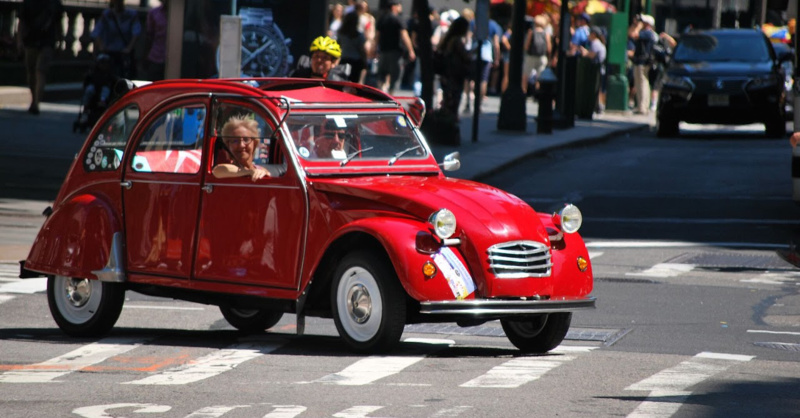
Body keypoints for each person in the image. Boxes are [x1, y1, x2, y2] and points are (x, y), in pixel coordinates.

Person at [17, 0, 64, 115]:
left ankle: (36, 103)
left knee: (40, 71)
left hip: (47, 41)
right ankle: (34, 99)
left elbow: (58, 23)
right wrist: (19, 41)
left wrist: (61, 41)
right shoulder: (28, 2)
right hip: (30, 40)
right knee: (31, 72)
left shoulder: (54, 3)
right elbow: (21, 22)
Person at [91, 0, 142, 79]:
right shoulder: (107, 15)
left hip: (123, 53)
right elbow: (96, 32)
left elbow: (136, 33)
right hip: (110, 52)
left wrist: (128, 48)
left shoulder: (131, 15)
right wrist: (102, 47)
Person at [375, 0, 415, 94]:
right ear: (394, 7)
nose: (400, 8)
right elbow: (404, 35)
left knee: (382, 74)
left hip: (383, 51)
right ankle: (391, 94)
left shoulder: (382, 19)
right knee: (395, 75)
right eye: (399, 6)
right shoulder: (398, 19)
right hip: (395, 52)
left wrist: (375, 48)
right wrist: (411, 50)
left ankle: (380, 92)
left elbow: (377, 35)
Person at [213, 115, 270, 181]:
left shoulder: (260, 169)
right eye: (235, 141)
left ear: (254, 143)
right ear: (228, 146)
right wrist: (249, 172)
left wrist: (262, 173)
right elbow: (217, 171)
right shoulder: (225, 171)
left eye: (246, 139)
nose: (241, 145)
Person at [437, 17, 471, 120]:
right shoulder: (456, 41)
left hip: (447, 74)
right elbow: (465, 56)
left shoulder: (448, 39)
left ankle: (447, 120)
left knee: (448, 100)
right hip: (454, 75)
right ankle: (450, 122)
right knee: (453, 100)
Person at [629, 14, 658, 115]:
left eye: (644, 22)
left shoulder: (648, 33)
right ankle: (642, 106)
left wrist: (638, 26)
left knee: (642, 83)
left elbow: (633, 34)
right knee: (641, 83)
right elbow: (630, 33)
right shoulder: (645, 33)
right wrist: (634, 24)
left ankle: (642, 107)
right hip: (641, 61)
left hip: (643, 61)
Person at [580, 26, 607, 114]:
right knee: (597, 89)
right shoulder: (597, 43)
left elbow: (591, 55)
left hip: (595, 70)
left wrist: (584, 52)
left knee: (595, 89)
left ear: (594, 34)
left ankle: (597, 107)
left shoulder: (596, 43)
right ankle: (597, 107)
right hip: (598, 69)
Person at [524, 14, 552, 94]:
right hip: (542, 57)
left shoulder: (531, 32)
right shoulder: (546, 33)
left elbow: (527, 45)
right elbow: (549, 47)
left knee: (525, 75)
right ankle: (538, 93)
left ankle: (524, 92)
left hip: (531, 56)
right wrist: (549, 57)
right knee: (540, 77)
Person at [337, 12, 368, 83]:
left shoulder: (341, 34)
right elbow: (361, 50)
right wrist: (365, 61)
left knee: (343, 81)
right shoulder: (359, 35)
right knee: (354, 83)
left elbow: (338, 46)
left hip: (344, 60)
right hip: (356, 61)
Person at [144, 0, 168, 81]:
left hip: (173, 57)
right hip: (156, 56)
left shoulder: (180, 15)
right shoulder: (154, 13)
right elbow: (149, 36)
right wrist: (145, 56)